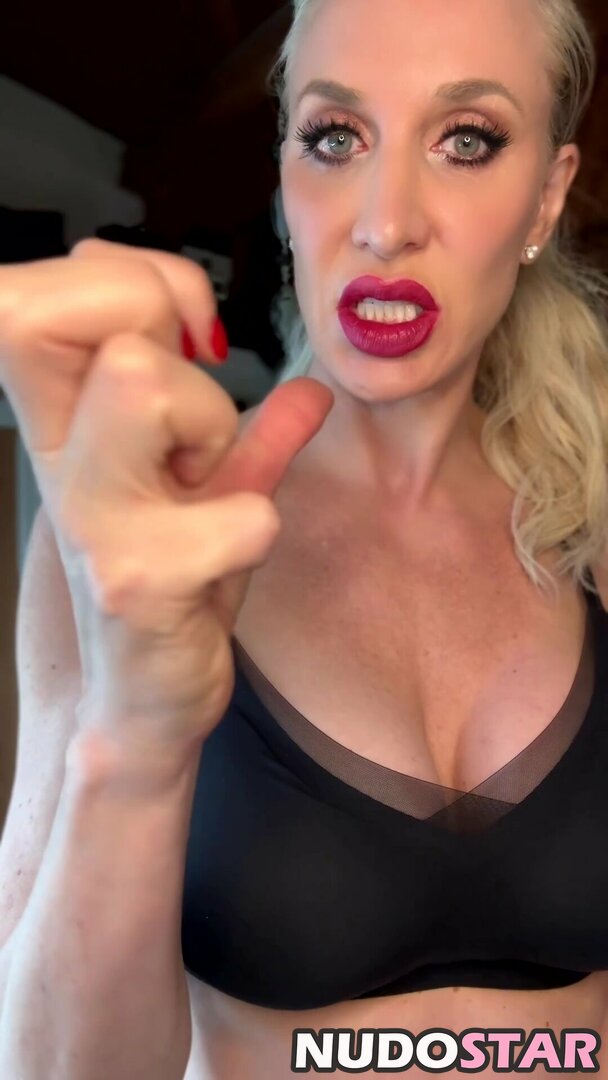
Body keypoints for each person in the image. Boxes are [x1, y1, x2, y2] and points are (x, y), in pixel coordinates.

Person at [0, 0, 607, 1076]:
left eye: (466, 140)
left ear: (546, 197)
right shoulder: (142, 536)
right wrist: (136, 737)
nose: (385, 222)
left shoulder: (594, 527)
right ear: (285, 181)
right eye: (335, 138)